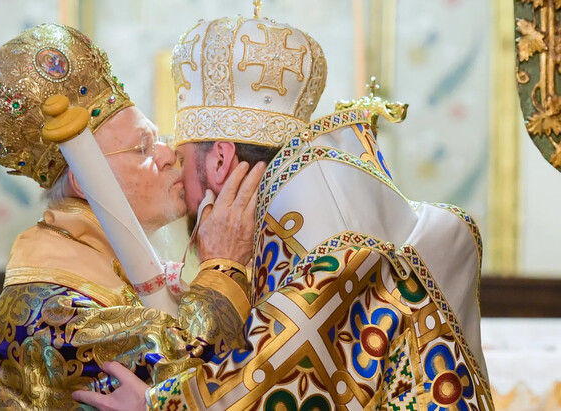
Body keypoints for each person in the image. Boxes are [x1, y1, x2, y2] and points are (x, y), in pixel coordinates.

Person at [74, 13, 494, 411]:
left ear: (220, 161)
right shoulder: (328, 190)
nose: (179, 182)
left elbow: (285, 380)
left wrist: (155, 404)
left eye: (183, 161)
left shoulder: (319, 232)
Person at [0, 23, 264, 410]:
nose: (168, 155)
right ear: (84, 179)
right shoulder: (50, 307)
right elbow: (191, 381)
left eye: (157, 139)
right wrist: (222, 264)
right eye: (143, 148)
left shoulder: (108, 267)